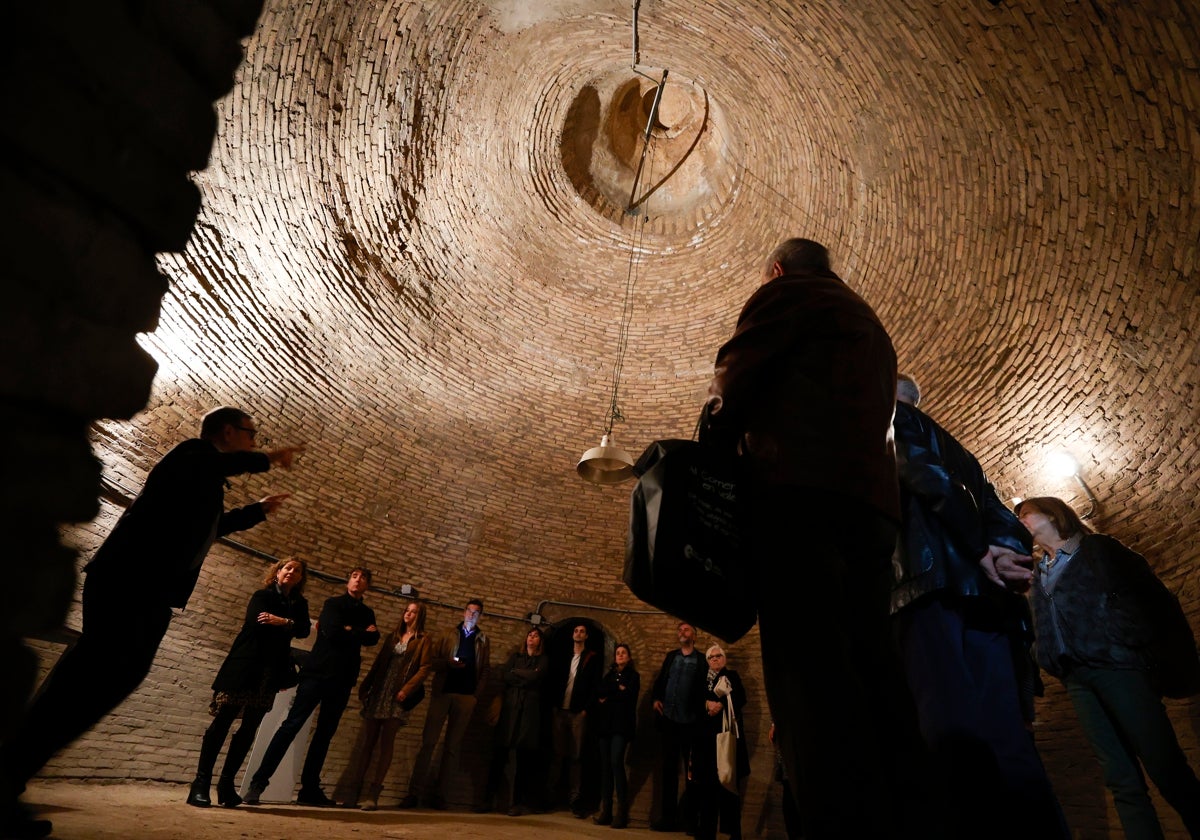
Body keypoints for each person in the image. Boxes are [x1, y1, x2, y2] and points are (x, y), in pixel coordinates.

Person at [702, 238, 935, 838]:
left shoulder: (787, 293)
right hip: (872, 513)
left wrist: (710, 457)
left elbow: (736, 377)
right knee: (873, 666)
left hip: (798, 498)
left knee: (807, 673)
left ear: (777, 269)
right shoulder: (871, 326)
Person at [0, 406, 303, 837]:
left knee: (99, 678)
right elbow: (214, 469)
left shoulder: (202, 480)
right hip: (129, 583)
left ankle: (11, 773)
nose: (254, 441)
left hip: (147, 591)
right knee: (92, 678)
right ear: (228, 431)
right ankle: (9, 771)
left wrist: (256, 511)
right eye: (251, 434)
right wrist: (269, 459)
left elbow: (209, 528)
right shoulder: (191, 456)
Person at [890, 374, 1067, 838]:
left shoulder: (888, 419)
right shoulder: (964, 454)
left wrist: (977, 550)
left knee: (949, 734)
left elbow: (923, 476)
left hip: (927, 589)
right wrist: (1002, 552)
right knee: (1007, 739)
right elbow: (1003, 516)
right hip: (986, 602)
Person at [1017, 496, 1200, 839]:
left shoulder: (1097, 549)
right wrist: (1046, 655)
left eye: (1026, 512)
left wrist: (1127, 640)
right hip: (1077, 680)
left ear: (1053, 513)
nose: (1020, 519)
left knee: (1166, 768)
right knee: (1120, 778)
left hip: (1118, 667)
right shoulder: (1038, 573)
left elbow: (1151, 597)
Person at [243, 567, 379, 806]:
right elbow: (333, 631)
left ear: (367, 586)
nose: (358, 581)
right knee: (291, 726)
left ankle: (310, 790)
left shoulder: (367, 612)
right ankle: (258, 784)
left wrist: (350, 631)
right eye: (355, 576)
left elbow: (373, 639)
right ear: (348, 580)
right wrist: (358, 632)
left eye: (363, 578)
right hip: (317, 674)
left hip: (343, 679)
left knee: (324, 735)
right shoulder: (333, 603)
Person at [186, 557, 311, 808]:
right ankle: (200, 784)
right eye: (288, 568)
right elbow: (258, 622)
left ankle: (226, 785)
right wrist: (288, 625)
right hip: (245, 667)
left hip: (270, 674)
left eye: (297, 571)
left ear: (300, 578)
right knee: (223, 721)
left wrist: (283, 621)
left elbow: (305, 630)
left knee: (248, 729)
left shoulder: (299, 603)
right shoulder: (262, 595)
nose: (292, 572)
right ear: (277, 571)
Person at [339, 598, 432, 810]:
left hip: (398, 693)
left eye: (413, 612)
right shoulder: (393, 637)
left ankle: (374, 793)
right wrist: (366, 685)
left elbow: (424, 668)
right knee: (367, 743)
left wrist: (406, 690)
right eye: (407, 610)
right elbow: (380, 662)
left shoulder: (423, 639)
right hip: (381, 690)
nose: (408, 614)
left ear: (420, 616)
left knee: (386, 744)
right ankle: (354, 791)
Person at [401, 598, 491, 810]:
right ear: (463, 612)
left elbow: (485, 669)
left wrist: (476, 695)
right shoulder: (448, 635)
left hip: (466, 697)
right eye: (469, 611)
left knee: (452, 748)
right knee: (429, 743)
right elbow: (431, 662)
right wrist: (448, 664)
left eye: (476, 612)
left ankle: (440, 796)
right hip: (443, 693)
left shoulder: (483, 640)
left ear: (480, 616)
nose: (472, 615)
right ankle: (414, 794)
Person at [483, 626, 549, 816]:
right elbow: (506, 675)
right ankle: (489, 799)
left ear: (540, 642)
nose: (531, 638)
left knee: (523, 760)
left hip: (528, 713)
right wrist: (524, 676)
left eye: (535, 636)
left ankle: (517, 802)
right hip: (510, 710)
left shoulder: (543, 660)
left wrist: (517, 674)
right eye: (529, 635)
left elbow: (536, 676)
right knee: (499, 756)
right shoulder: (516, 657)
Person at [650, 621, 705, 832]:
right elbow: (661, 680)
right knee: (668, 771)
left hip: (690, 724)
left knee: (692, 774)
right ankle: (668, 819)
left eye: (687, 629)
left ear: (694, 635)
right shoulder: (671, 656)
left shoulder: (701, 661)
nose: (682, 632)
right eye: (680, 629)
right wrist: (656, 698)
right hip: (669, 721)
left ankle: (691, 821)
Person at [690, 646, 749, 840]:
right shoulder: (699, 678)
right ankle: (706, 830)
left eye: (718, 656)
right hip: (705, 741)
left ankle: (733, 831)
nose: (715, 659)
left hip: (725, 739)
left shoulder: (731, 675)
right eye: (711, 657)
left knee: (728, 784)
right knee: (706, 786)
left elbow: (741, 697)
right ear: (707, 661)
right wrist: (707, 704)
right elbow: (690, 699)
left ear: (724, 659)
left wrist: (722, 703)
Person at [547, 623, 602, 816]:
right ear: (572, 635)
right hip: (560, 711)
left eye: (582, 631)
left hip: (578, 713)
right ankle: (550, 796)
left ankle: (575, 799)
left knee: (576, 756)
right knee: (556, 754)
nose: (578, 633)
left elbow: (595, 685)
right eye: (576, 631)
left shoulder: (591, 658)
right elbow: (553, 680)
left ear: (586, 636)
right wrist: (554, 706)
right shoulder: (564, 656)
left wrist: (586, 709)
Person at [593, 643, 640, 829]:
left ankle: (621, 813)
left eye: (623, 653)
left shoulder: (633, 676)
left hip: (621, 726)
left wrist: (610, 695)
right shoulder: (609, 676)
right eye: (617, 653)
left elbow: (629, 696)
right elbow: (599, 693)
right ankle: (606, 811)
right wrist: (617, 690)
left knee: (615, 763)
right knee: (605, 767)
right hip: (605, 726)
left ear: (628, 658)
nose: (620, 655)